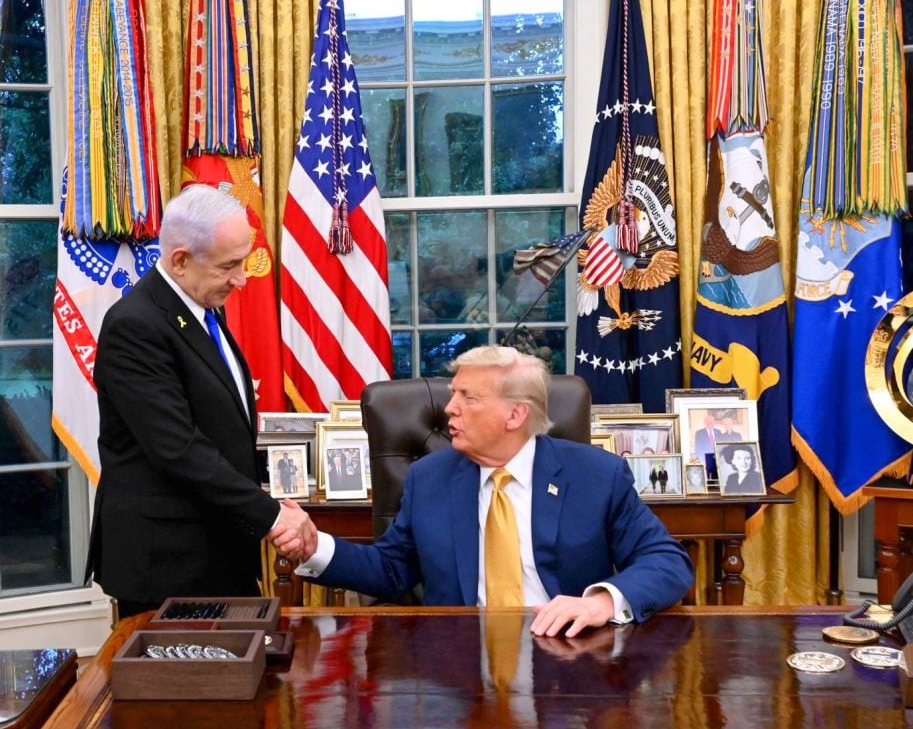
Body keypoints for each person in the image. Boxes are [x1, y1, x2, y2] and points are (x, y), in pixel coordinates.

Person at [278, 346, 693, 637]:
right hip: (458, 665)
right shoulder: (429, 478)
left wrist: (599, 603)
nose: (449, 408)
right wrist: (314, 547)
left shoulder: (596, 475)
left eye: (468, 398)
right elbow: (390, 569)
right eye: (452, 394)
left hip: (570, 656)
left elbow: (666, 560)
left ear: (515, 415)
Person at [86, 185, 316, 618]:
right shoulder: (135, 326)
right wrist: (272, 516)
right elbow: (177, 448)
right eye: (228, 266)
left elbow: (223, 424)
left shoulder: (203, 305)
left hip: (219, 551)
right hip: (168, 564)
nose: (242, 279)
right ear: (180, 260)